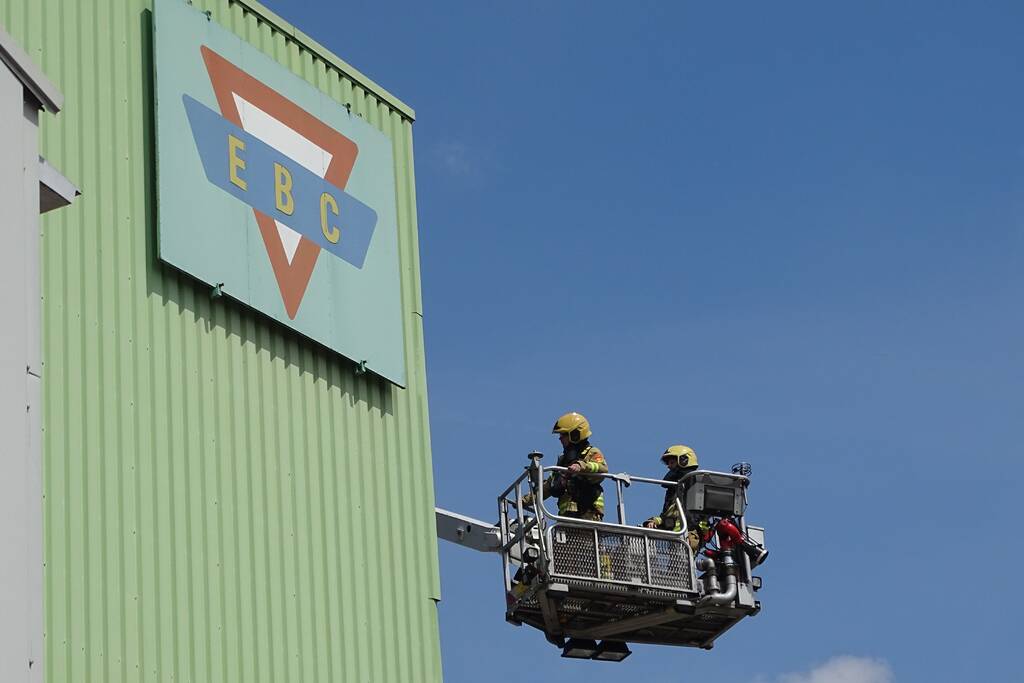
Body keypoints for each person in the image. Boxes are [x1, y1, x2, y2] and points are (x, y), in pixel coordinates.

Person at [522, 412, 608, 521]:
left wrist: (581, 466)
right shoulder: (563, 461)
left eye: (563, 435)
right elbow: (548, 486)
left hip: (588, 516)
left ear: (576, 434)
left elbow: (602, 469)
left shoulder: (592, 453)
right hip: (566, 518)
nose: (560, 439)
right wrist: (524, 500)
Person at [643, 444, 703, 551]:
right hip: (676, 539)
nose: (668, 466)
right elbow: (666, 516)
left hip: (687, 537)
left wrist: (694, 533)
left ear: (684, 460)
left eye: (671, 462)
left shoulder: (695, 484)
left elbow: (701, 517)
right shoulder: (674, 489)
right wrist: (654, 521)